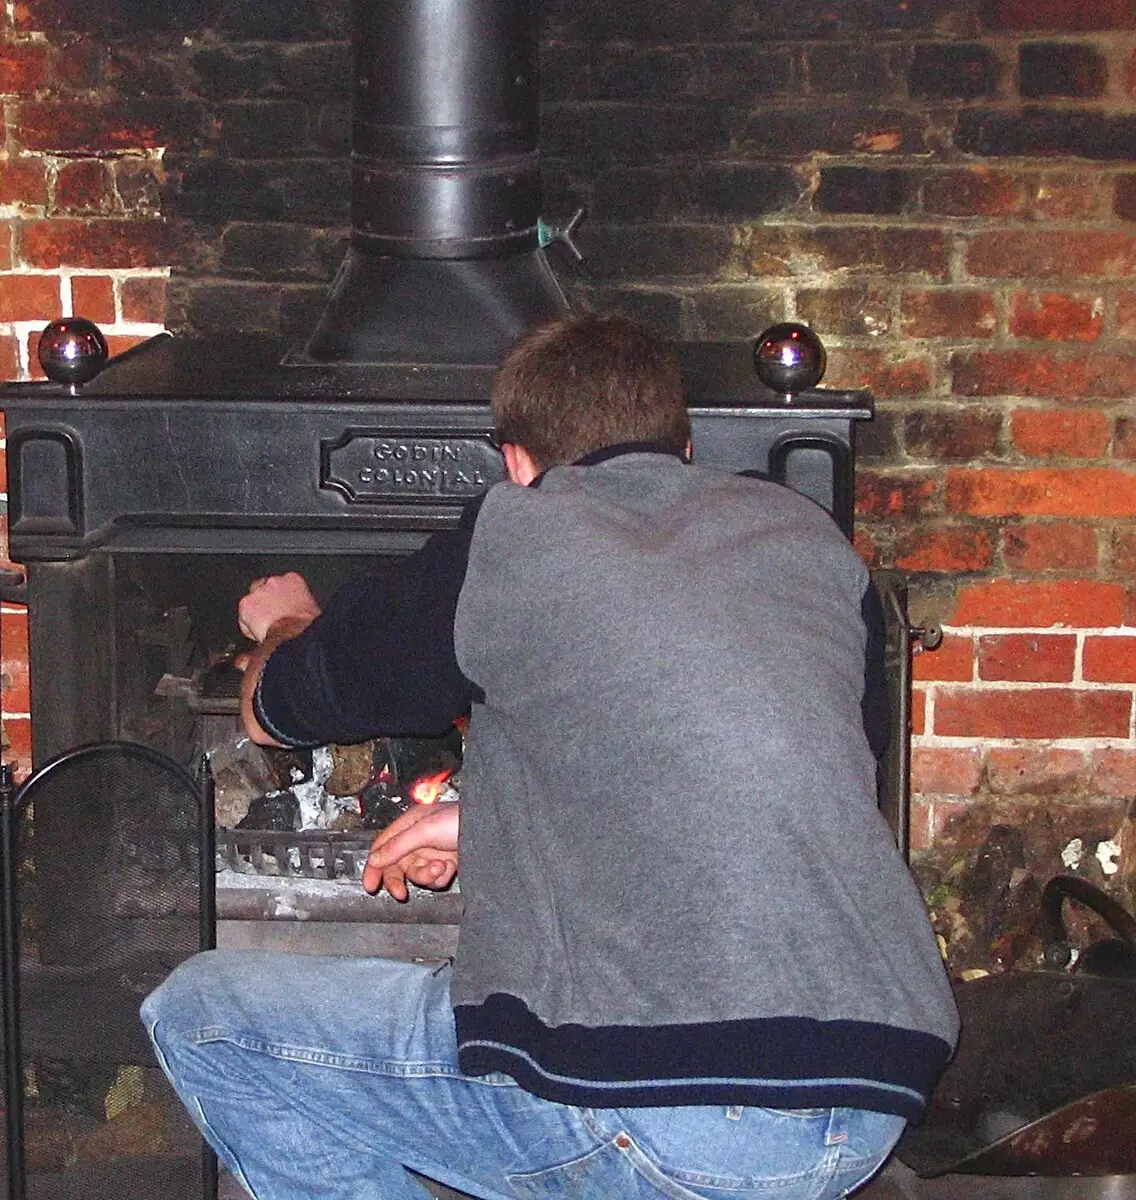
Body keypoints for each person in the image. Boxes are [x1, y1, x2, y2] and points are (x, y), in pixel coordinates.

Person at [141, 313, 958, 1200]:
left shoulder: (517, 534)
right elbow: (762, 788)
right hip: (871, 1090)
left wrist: (289, 625)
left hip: (664, 1111)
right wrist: (486, 820)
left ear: (517, 463)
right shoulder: (808, 543)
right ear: (682, 447)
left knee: (201, 1017)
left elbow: (280, 707)